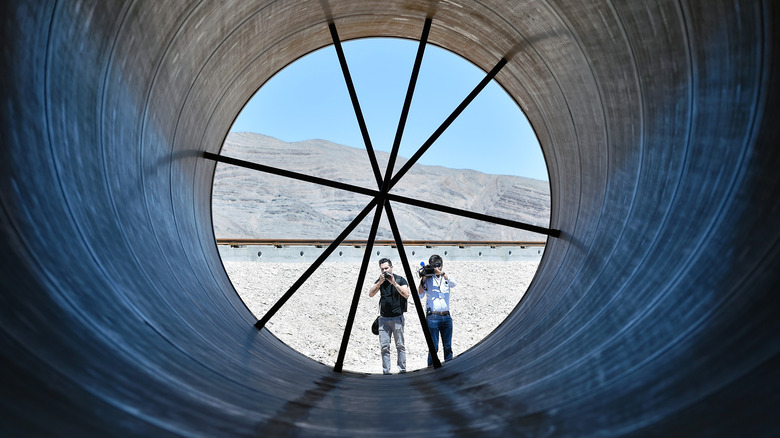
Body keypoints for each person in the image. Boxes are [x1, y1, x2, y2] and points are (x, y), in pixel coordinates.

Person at [368, 257, 411, 374]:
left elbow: (406, 294)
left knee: (400, 345)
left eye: (386, 268)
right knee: (384, 347)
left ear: (391, 267)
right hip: (384, 319)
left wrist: (394, 283)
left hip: (397, 318)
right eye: (382, 269)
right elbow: (371, 294)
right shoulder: (380, 281)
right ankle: (386, 371)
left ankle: (402, 370)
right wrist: (380, 283)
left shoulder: (400, 279)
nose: (384, 271)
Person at [417, 254, 456, 366]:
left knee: (448, 346)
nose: (437, 268)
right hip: (433, 317)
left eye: (438, 265)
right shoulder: (428, 279)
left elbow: (454, 283)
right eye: (434, 265)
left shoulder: (445, 278)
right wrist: (423, 279)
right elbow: (420, 294)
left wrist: (442, 274)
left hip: (446, 316)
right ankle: (430, 369)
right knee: (433, 347)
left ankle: (449, 368)